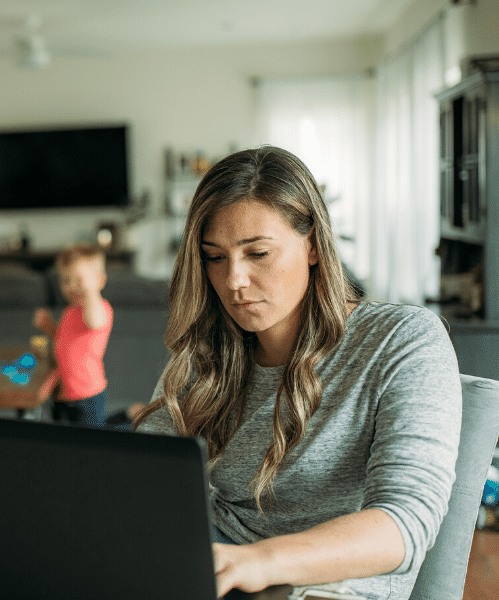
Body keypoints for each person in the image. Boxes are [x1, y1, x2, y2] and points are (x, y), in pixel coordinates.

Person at [134, 146, 460, 599]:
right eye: (215, 257)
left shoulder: (402, 340)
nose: (233, 281)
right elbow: (137, 480)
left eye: (258, 253)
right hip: (220, 574)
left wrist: (259, 562)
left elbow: (404, 522)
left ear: (311, 245)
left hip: (334, 588)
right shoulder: (208, 352)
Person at [34, 244, 123, 428]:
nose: (72, 286)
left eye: (79, 280)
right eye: (66, 281)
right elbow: (64, 340)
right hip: (62, 394)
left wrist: (90, 291)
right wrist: (49, 327)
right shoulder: (70, 311)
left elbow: (94, 322)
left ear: (100, 281)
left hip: (87, 395)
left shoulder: (99, 309)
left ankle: (127, 419)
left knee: (92, 442)